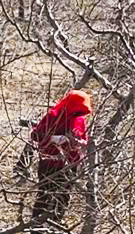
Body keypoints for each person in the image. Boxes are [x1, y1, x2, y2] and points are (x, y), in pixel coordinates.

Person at [17, 89, 92, 224]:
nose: (78, 113)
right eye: (77, 109)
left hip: (71, 164)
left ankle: (55, 224)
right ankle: (36, 228)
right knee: (45, 195)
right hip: (49, 163)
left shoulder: (79, 120)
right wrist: (55, 139)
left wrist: (79, 143)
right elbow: (36, 136)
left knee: (64, 196)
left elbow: (85, 141)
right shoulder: (52, 116)